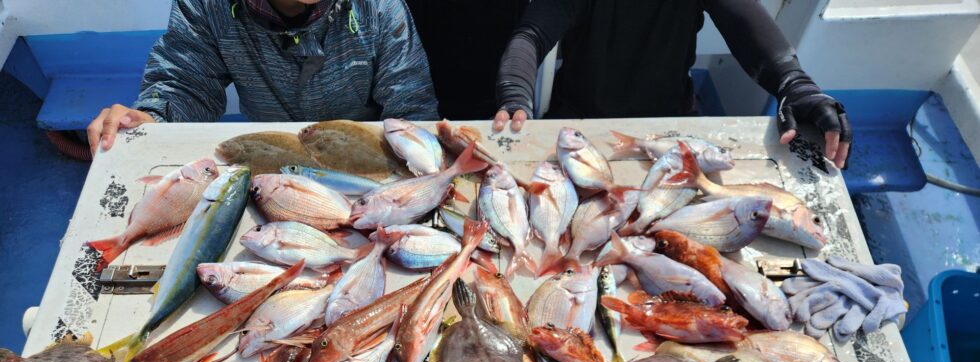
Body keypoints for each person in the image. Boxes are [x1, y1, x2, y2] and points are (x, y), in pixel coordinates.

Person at [492, 0, 851, 169]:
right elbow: (532, 36)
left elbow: (744, 24)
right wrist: (515, 92)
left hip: (673, 126)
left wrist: (796, 84)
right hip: (580, 128)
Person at [87, 0, 438, 155]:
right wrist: (153, 118)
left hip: (363, 154)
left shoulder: (380, 7)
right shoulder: (205, 6)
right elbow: (186, 82)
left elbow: (411, 106)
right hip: (266, 157)